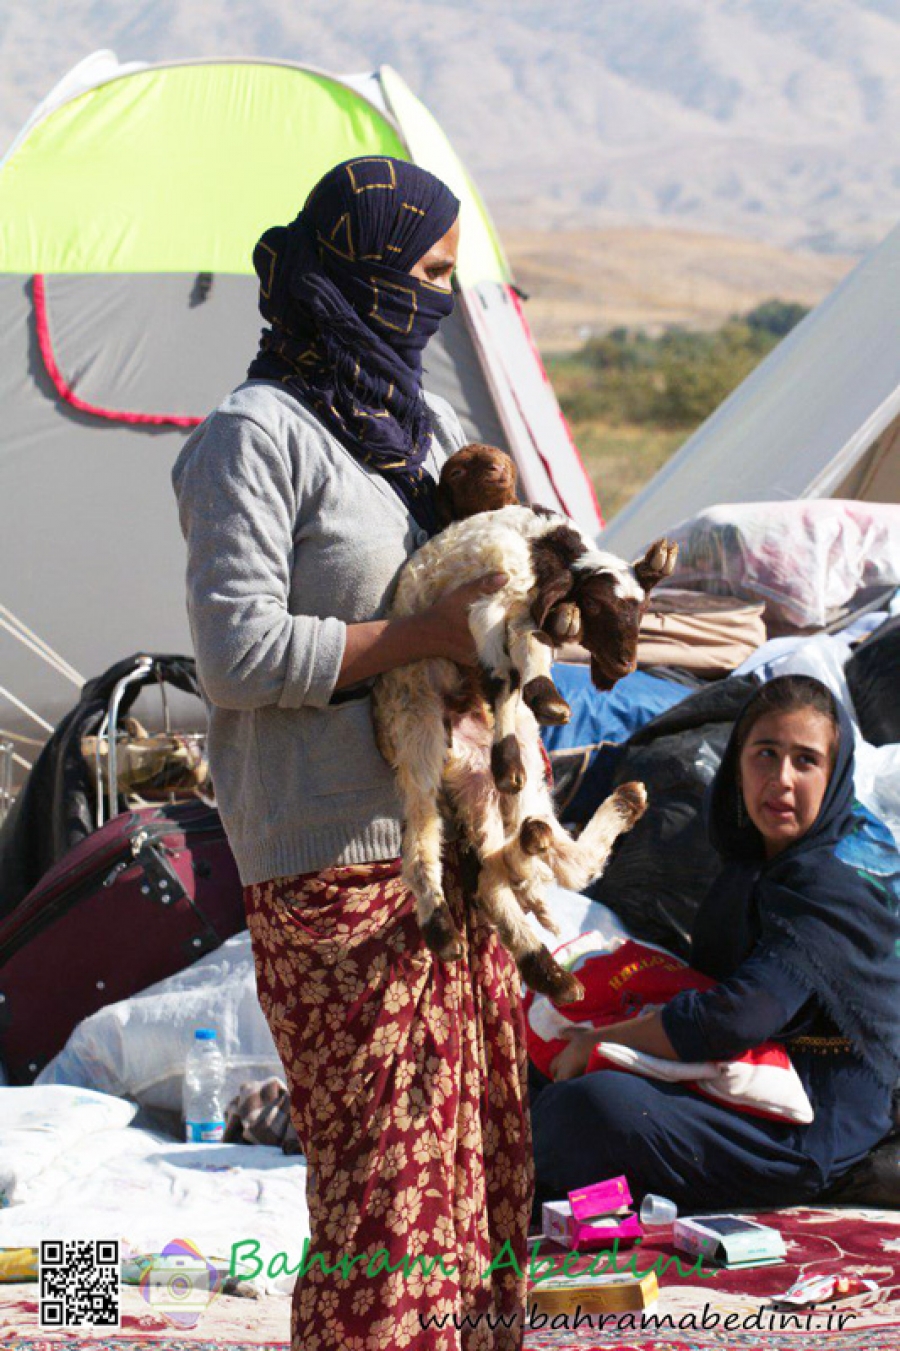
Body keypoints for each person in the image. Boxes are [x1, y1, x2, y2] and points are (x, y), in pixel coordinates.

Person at [173, 158, 531, 1350]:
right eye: (425, 274)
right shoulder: (253, 435)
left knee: (471, 1181)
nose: (438, 299)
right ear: (362, 271)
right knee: (385, 1198)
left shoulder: (387, 439)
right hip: (333, 863)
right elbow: (237, 651)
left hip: (443, 858)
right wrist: (426, 634)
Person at [530, 674, 900, 1214]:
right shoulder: (750, 866)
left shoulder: (830, 884)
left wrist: (601, 1042)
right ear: (738, 763)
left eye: (806, 761)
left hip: (810, 1126)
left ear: (834, 773)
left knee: (593, 1105)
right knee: (541, 1065)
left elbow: (735, 1018)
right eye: (765, 754)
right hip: (740, 1080)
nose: (781, 779)